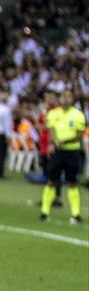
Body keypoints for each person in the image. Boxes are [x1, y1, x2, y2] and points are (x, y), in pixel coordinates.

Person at [39, 89, 85, 223]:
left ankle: (75, 214)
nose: (66, 99)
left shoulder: (78, 115)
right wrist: (54, 141)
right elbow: (51, 129)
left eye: (69, 96)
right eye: (63, 96)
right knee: (51, 181)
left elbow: (80, 134)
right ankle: (44, 212)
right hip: (58, 152)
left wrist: (64, 141)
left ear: (73, 99)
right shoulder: (53, 113)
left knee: (72, 182)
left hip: (72, 151)